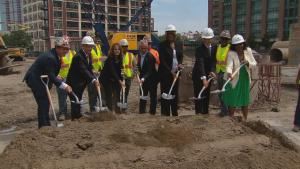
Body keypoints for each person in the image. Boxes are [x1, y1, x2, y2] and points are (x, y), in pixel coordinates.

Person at [23, 36, 72, 128]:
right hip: (35, 80)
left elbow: (50, 71)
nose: (66, 51)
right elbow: (52, 76)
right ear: (57, 47)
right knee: (43, 102)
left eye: (67, 49)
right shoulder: (51, 57)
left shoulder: (55, 55)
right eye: (64, 49)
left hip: (41, 79)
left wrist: (55, 75)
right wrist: (64, 85)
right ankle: (43, 126)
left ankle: (46, 124)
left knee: (46, 102)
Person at [221, 34, 257, 121]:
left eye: (241, 44)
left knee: (245, 99)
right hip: (234, 78)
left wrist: (248, 63)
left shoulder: (248, 51)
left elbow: (254, 63)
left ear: (243, 43)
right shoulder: (231, 53)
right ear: (234, 45)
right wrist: (229, 73)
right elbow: (229, 65)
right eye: (237, 44)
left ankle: (245, 119)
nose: (239, 46)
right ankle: (231, 119)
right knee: (233, 99)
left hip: (244, 78)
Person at [66, 36, 100, 120]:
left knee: (79, 98)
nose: (90, 48)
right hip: (74, 82)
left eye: (91, 46)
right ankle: (75, 117)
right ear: (83, 46)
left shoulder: (89, 55)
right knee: (75, 99)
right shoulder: (78, 57)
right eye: (88, 46)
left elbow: (88, 68)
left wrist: (94, 75)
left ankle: (78, 115)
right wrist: (93, 80)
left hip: (81, 82)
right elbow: (83, 70)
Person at [158, 24, 183, 116]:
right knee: (165, 93)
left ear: (174, 34)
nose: (170, 36)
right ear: (166, 34)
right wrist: (171, 72)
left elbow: (181, 56)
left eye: (172, 34)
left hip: (176, 73)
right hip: (166, 74)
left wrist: (180, 64)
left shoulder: (179, 44)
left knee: (174, 93)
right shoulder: (162, 45)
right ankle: (165, 113)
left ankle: (174, 112)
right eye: (168, 34)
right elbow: (162, 61)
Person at [192, 28, 217, 115]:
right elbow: (200, 64)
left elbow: (214, 61)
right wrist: (203, 78)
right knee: (199, 95)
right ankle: (198, 113)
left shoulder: (214, 48)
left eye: (210, 38)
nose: (208, 40)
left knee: (206, 95)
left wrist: (212, 71)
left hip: (208, 75)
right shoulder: (199, 49)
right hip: (198, 75)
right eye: (206, 39)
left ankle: (205, 113)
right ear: (203, 39)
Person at [100, 43, 124, 113]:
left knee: (117, 94)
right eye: (115, 49)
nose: (117, 51)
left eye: (118, 49)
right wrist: (119, 81)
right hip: (106, 79)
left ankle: (117, 110)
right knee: (109, 95)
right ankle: (110, 112)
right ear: (112, 50)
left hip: (115, 79)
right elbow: (113, 71)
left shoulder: (120, 59)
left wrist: (122, 80)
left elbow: (120, 71)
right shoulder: (109, 59)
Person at [56, 37, 76, 120]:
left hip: (71, 77)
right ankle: (62, 113)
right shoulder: (58, 55)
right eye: (64, 45)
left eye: (67, 44)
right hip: (61, 78)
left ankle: (74, 111)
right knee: (62, 97)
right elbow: (54, 67)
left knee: (73, 95)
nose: (66, 47)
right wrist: (57, 75)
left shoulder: (73, 53)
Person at [86, 30, 106, 112]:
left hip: (99, 71)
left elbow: (100, 57)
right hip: (91, 72)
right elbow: (89, 60)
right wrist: (100, 59)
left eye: (94, 36)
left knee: (101, 89)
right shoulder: (87, 48)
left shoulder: (97, 46)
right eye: (92, 36)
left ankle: (103, 105)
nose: (94, 38)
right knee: (92, 91)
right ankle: (93, 108)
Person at [137, 40, 157, 114]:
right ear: (139, 48)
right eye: (142, 48)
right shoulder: (139, 55)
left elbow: (150, 70)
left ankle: (152, 112)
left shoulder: (150, 56)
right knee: (142, 95)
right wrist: (137, 69)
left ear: (147, 48)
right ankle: (142, 111)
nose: (143, 50)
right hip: (143, 79)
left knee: (153, 97)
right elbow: (140, 67)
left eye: (145, 48)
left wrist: (143, 78)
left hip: (152, 79)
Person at [216, 30, 231, 117]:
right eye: (223, 38)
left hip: (226, 73)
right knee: (220, 93)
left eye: (226, 39)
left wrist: (221, 62)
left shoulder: (229, 47)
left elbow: (228, 61)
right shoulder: (218, 47)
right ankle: (223, 110)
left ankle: (227, 112)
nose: (224, 40)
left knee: (226, 92)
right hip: (219, 72)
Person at [120, 39, 136, 110]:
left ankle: (124, 108)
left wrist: (134, 74)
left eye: (126, 46)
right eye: (123, 46)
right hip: (120, 78)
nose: (125, 48)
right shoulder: (118, 55)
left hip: (128, 77)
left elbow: (135, 66)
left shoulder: (131, 55)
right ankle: (118, 107)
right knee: (118, 93)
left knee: (125, 93)